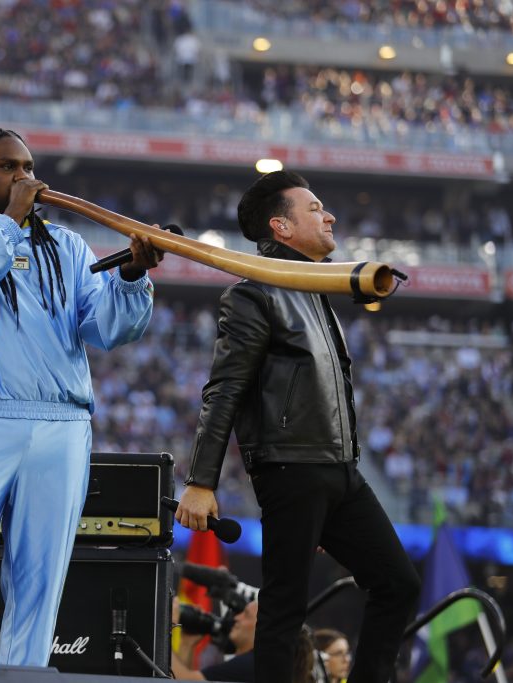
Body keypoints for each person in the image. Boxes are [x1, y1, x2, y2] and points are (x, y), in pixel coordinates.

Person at [0, 128, 161, 666]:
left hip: (62, 424)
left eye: (28, 167)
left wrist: (133, 276)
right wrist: (9, 223)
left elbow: (105, 330)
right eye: (7, 167)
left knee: (40, 580)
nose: (24, 177)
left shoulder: (67, 245)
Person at [175, 170, 420, 683]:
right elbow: (224, 390)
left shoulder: (316, 291)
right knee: (284, 608)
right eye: (315, 208)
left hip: (341, 472)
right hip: (291, 469)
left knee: (398, 583)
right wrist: (200, 482)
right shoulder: (253, 294)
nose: (329, 216)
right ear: (281, 226)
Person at [171, 600, 258, 681]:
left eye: (246, 615)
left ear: (260, 627)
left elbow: (184, 680)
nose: (237, 618)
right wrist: (187, 643)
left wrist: (166, 625)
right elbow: (185, 679)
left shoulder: (251, 664)